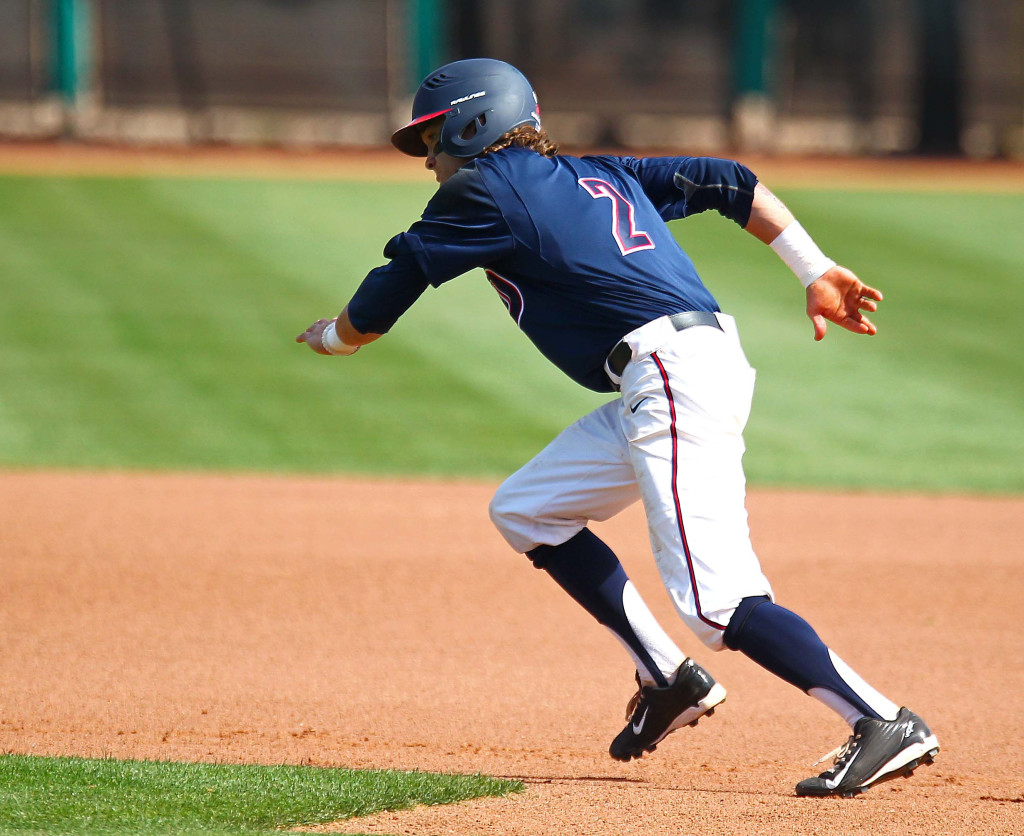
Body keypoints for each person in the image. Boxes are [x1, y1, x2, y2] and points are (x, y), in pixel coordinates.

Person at [296, 58, 939, 798]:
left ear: (476, 124)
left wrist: (332, 338)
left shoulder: (484, 188)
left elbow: (386, 296)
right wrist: (812, 267)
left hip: (669, 373)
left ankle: (881, 719)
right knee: (528, 509)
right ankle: (669, 679)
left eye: (436, 135)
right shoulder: (598, 174)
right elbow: (729, 181)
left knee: (716, 602)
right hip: (679, 369)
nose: (432, 157)